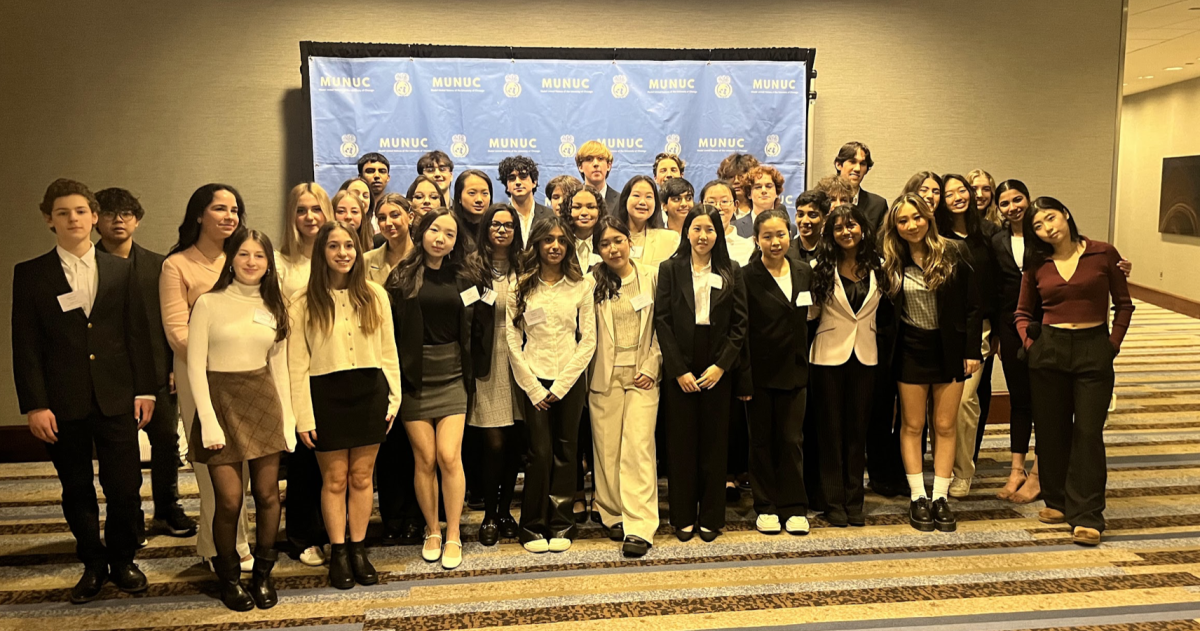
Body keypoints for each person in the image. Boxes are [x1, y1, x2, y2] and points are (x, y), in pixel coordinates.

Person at [12, 179, 156, 604]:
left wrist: (145, 390)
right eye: (62, 213)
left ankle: (123, 559)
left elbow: (137, 334)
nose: (72, 219)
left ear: (94, 217)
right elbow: (26, 344)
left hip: (117, 396)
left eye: (80, 211)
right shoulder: (31, 273)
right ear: (48, 220)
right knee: (76, 487)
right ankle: (92, 562)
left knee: (125, 486)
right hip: (62, 401)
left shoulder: (120, 269)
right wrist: (35, 404)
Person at [287, 221, 401, 589]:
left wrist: (394, 397)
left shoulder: (375, 294)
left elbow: (388, 352)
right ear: (322, 252)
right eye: (334, 246)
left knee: (362, 477)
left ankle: (358, 548)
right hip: (325, 394)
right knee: (334, 479)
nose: (343, 253)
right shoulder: (303, 302)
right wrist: (303, 415)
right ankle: (337, 551)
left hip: (370, 391)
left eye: (349, 246)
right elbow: (297, 365)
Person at [1016, 197, 1134, 546]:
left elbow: (1124, 304)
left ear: (1066, 214)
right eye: (1038, 226)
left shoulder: (1103, 253)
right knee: (1051, 431)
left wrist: (1111, 344)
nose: (1047, 228)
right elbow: (1022, 312)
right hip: (1049, 348)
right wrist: (1030, 344)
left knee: (1087, 432)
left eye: (1050, 218)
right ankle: (1058, 500)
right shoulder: (1037, 263)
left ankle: (1088, 515)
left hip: (1092, 347)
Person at [187, 230, 293, 611]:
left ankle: (262, 574)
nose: (251, 261)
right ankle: (229, 577)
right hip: (220, 403)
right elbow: (196, 367)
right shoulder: (208, 303)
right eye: (244, 254)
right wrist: (208, 421)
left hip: (263, 402)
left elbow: (279, 367)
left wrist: (289, 420)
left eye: (259, 256)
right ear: (231, 258)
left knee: (268, 496)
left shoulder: (275, 305)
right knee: (229, 502)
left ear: (268, 264)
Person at [94, 188, 196, 539]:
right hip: (109, 378)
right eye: (109, 213)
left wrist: (174, 367)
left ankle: (167, 509)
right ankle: (129, 515)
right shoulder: (84, 265)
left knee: (167, 441)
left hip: (156, 372)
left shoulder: (158, 266)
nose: (118, 220)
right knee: (119, 450)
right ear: (96, 219)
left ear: (137, 219)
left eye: (126, 213)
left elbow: (170, 321)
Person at [161, 184, 253, 572]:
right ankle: (222, 548)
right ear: (199, 214)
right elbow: (176, 330)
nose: (230, 216)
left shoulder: (244, 259)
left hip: (246, 373)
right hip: (200, 374)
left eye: (235, 209)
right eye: (220, 208)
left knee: (244, 466)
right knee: (212, 464)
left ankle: (226, 541)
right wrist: (213, 362)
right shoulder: (177, 265)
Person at [387, 208, 484, 570]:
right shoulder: (401, 277)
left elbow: (479, 323)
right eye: (435, 231)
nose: (441, 238)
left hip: (454, 375)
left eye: (449, 234)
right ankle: (432, 529)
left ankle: (454, 532)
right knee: (424, 459)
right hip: (414, 377)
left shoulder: (466, 276)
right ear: (422, 233)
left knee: (448, 456)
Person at [881, 193, 981, 533]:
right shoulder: (891, 260)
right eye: (903, 221)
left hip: (949, 349)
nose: (911, 225)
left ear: (928, 217)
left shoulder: (954, 252)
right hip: (910, 349)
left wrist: (972, 351)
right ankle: (917, 497)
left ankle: (940, 496)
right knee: (911, 425)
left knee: (945, 425)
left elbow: (972, 306)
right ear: (895, 226)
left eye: (917, 218)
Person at [655, 205, 749, 542]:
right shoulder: (670, 268)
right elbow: (662, 321)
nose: (702, 236)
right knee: (681, 445)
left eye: (709, 229)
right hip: (680, 360)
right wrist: (678, 369)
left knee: (714, 444)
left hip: (716, 362)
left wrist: (722, 365)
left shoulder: (731, 269)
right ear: (687, 232)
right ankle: (682, 516)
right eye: (696, 229)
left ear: (718, 234)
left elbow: (740, 324)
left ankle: (711, 516)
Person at [507, 216, 597, 553]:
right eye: (548, 240)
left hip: (569, 380)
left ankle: (562, 524)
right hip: (533, 378)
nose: (555, 246)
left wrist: (561, 386)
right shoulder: (522, 287)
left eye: (561, 240)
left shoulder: (581, 285)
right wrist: (533, 387)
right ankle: (532, 526)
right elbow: (512, 340)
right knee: (539, 454)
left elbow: (588, 340)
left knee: (566, 452)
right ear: (537, 245)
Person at [808, 205, 889, 527]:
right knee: (830, 432)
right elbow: (811, 314)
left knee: (858, 432)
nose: (846, 232)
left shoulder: (880, 267)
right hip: (827, 357)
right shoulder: (818, 268)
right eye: (839, 228)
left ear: (863, 228)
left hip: (866, 357)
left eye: (851, 225)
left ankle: (855, 500)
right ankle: (832, 501)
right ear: (831, 233)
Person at [587, 217, 662, 557]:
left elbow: (664, 324)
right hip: (604, 374)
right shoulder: (592, 282)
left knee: (638, 447)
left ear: (629, 241)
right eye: (604, 244)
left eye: (618, 240)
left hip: (642, 373)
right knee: (606, 449)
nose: (613, 249)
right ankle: (611, 512)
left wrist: (652, 364)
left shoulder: (652, 275)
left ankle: (640, 525)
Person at [743, 209, 813, 535]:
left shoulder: (802, 271)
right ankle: (766, 506)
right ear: (756, 240)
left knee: (791, 440)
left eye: (781, 235)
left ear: (790, 235)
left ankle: (794, 506)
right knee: (760, 441)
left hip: (796, 371)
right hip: (758, 373)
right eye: (767, 236)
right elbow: (740, 331)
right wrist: (743, 375)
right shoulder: (745, 276)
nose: (775, 242)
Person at [936, 174, 997, 498]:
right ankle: (940, 465)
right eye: (950, 193)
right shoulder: (936, 235)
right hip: (939, 330)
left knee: (965, 402)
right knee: (940, 405)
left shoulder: (989, 234)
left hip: (978, 330)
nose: (958, 196)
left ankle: (963, 470)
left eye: (963, 191)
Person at [471, 204, 525, 546]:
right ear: (486, 229)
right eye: (495, 224)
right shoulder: (471, 268)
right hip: (487, 360)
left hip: (522, 360)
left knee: (516, 444)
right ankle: (489, 514)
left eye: (508, 225)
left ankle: (506, 512)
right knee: (494, 443)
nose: (502, 230)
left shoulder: (527, 266)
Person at [991, 180, 1040, 503]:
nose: (1013, 207)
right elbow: (992, 288)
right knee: (1020, 399)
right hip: (1009, 327)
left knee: (1048, 400)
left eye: (1017, 199)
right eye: (1005, 203)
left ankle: (1040, 473)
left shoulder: (1046, 236)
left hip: (1047, 326)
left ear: (1028, 199)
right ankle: (1016, 470)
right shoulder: (997, 241)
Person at [276, 183, 332, 300]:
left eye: (317, 209)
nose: (309, 217)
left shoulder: (341, 259)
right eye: (301, 211)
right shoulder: (278, 262)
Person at [615, 175, 680, 268]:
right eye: (636, 195)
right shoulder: (612, 239)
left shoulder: (669, 239)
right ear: (625, 199)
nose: (642, 202)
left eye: (649, 197)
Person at [499, 155, 554, 248]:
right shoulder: (499, 218)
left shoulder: (550, 216)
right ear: (507, 186)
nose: (517, 182)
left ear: (534, 182)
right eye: (512, 178)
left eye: (523, 176)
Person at [700, 179, 755, 266]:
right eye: (711, 202)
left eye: (724, 201)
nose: (718, 207)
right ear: (701, 205)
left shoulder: (747, 246)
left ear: (735, 205)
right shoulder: (695, 243)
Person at [834, 141, 887, 227]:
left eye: (862, 164)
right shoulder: (823, 199)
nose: (858, 169)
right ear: (839, 165)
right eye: (852, 162)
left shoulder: (878, 205)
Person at [363, 193, 413, 285]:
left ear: (410, 217)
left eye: (395, 215)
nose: (388, 223)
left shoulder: (423, 258)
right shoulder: (366, 260)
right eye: (382, 218)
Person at [733, 165, 794, 239]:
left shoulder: (791, 229)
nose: (764, 191)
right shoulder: (735, 228)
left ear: (776, 193)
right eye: (758, 187)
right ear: (749, 194)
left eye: (769, 186)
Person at [560, 185, 606, 273]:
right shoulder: (561, 243)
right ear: (568, 210)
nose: (584, 213)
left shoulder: (607, 243)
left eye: (591, 207)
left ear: (599, 211)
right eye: (577, 207)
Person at [787, 189, 831, 265]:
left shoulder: (832, 251)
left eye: (812, 215)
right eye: (800, 215)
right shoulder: (785, 252)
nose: (805, 221)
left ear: (825, 219)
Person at [452, 169, 493, 245]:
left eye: (485, 193)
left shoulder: (496, 227)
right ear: (459, 197)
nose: (479, 200)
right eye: (472, 193)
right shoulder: (449, 224)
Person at [576, 140, 621, 209]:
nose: (596, 164)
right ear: (580, 167)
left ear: (608, 166)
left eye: (600, 158)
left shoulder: (621, 201)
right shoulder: (572, 199)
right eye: (589, 159)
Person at [716, 153, 759, 221]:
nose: (736, 181)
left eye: (741, 176)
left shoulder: (762, 208)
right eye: (731, 177)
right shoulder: (717, 210)